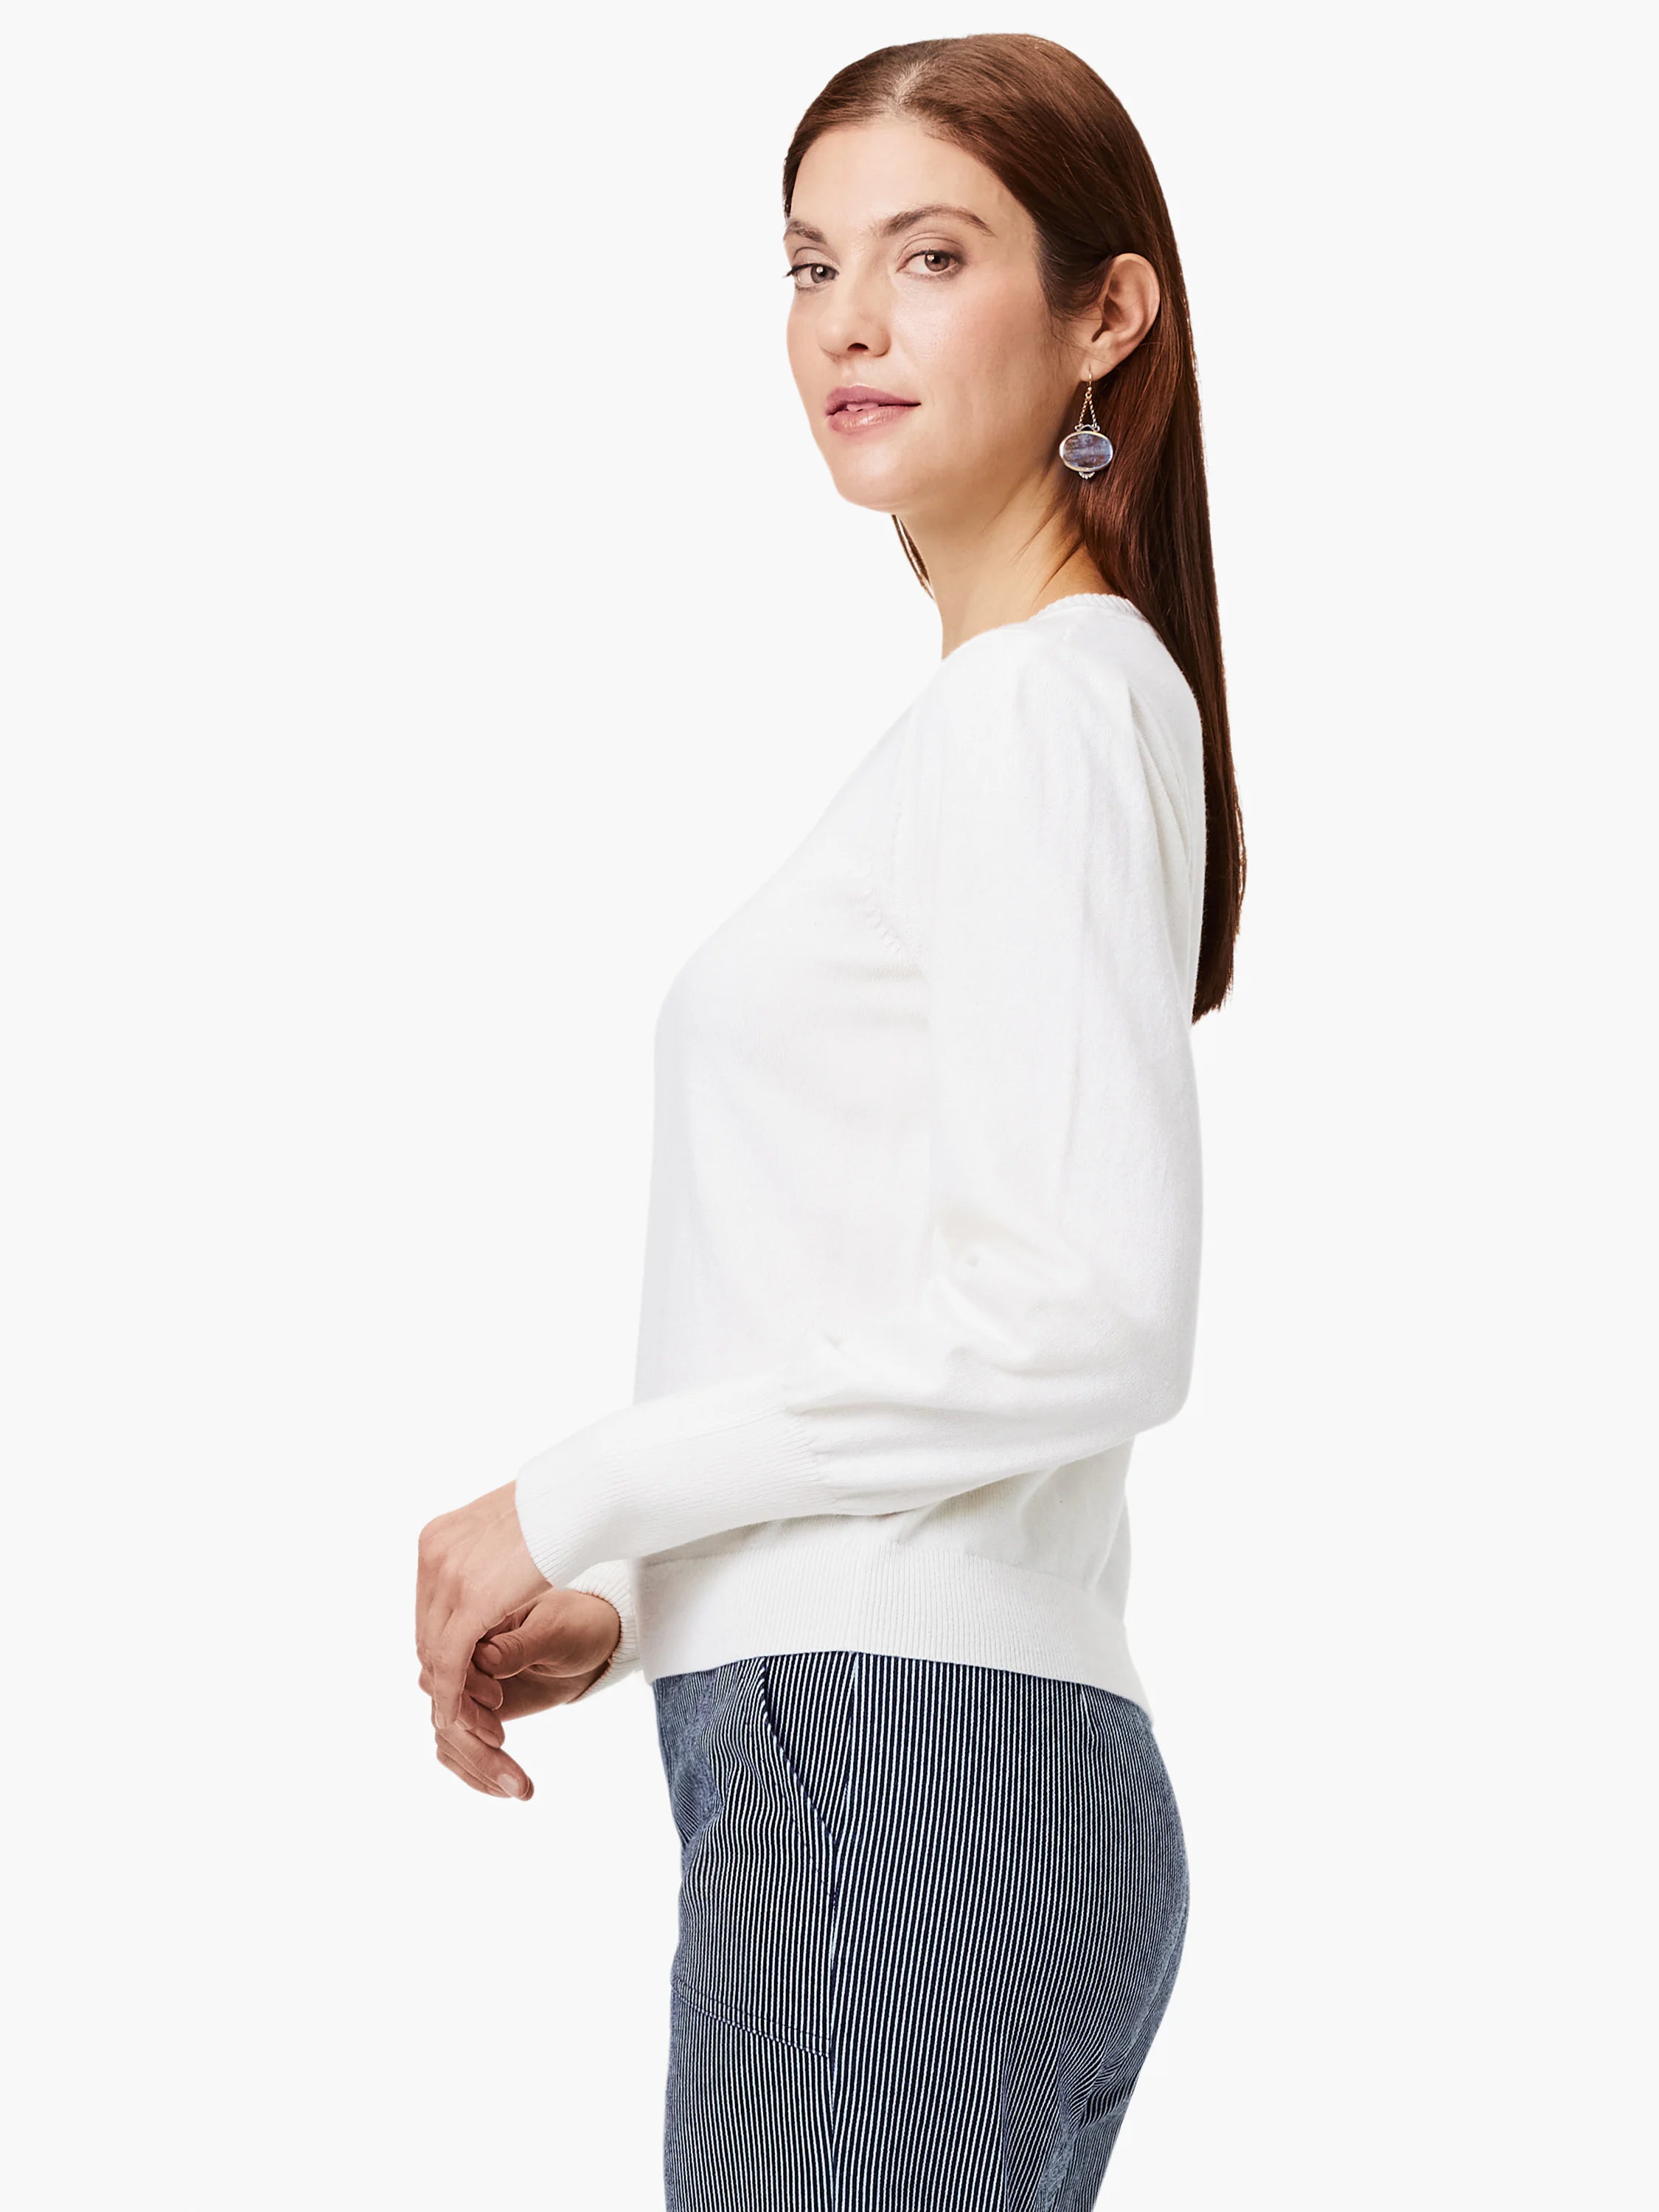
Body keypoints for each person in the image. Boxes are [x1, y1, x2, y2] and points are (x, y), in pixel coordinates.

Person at [415, 30, 1245, 2205]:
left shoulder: (1040, 710)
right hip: (905, 1744)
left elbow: (1085, 1314)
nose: (849, 321)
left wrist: (575, 1495)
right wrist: (655, 1589)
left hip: (899, 1761)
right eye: (810, 265)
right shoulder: (1029, 713)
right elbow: (893, 1277)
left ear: (1104, 315)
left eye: (931, 256)